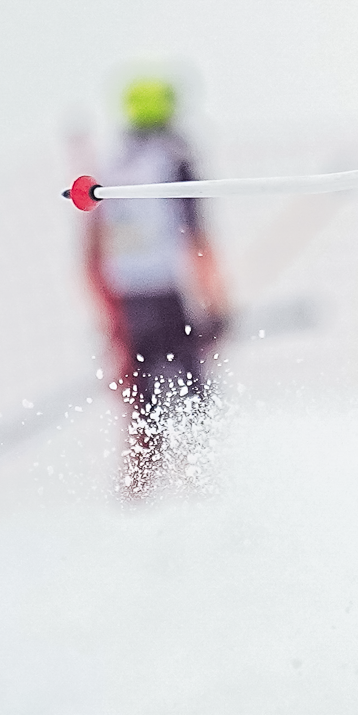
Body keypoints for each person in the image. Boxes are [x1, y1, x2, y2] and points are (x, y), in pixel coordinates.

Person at [81, 77, 230, 491]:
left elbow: (92, 251)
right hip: (167, 295)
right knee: (193, 394)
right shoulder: (174, 160)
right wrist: (217, 304)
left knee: (143, 403)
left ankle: (139, 491)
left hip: (126, 301)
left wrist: (106, 312)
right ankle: (200, 487)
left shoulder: (112, 167)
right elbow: (197, 238)